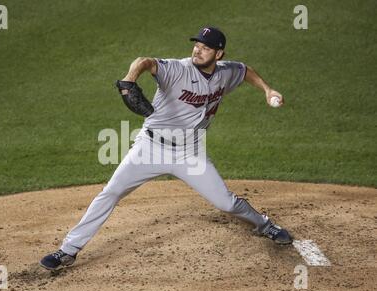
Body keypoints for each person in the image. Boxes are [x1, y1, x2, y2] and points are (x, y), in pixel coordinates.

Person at [40, 26, 293, 271]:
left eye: (206, 48)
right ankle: (68, 250)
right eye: (196, 45)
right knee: (111, 192)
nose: (198, 50)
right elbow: (145, 61)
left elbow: (245, 70)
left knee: (226, 203)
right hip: (150, 147)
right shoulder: (177, 69)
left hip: (189, 153)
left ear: (219, 54)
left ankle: (264, 225)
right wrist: (130, 79)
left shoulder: (225, 73)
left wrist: (267, 89)